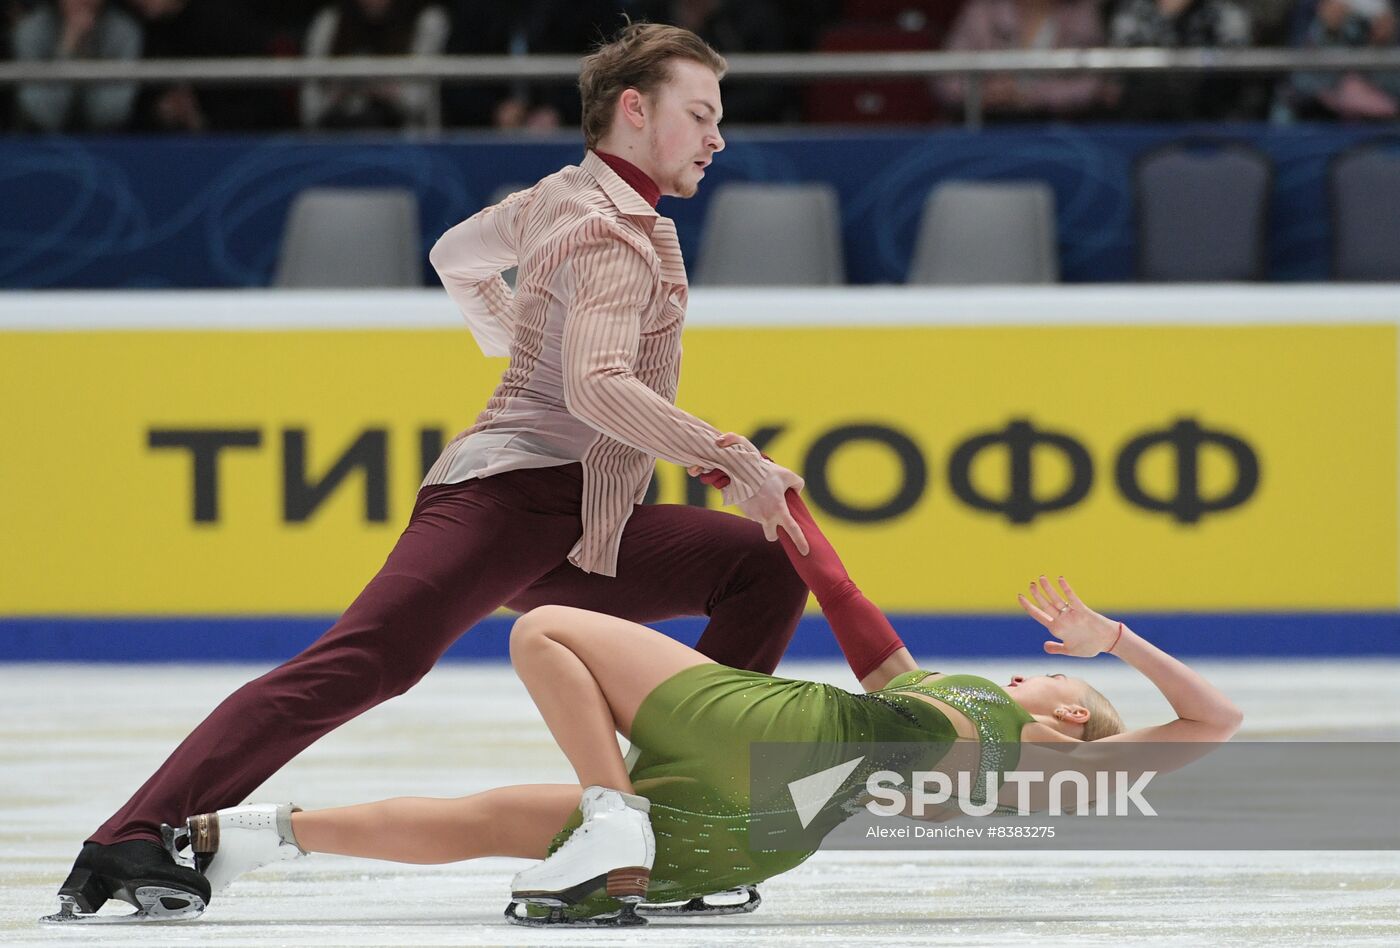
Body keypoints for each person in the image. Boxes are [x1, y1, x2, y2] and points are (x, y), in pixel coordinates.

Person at [43, 23, 814, 924]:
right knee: (368, 660)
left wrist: (517, 335)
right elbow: (599, 384)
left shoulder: (557, 198)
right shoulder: (608, 234)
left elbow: (456, 254)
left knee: (761, 565)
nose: (718, 136)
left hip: (585, 515)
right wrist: (732, 459)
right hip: (507, 499)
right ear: (635, 112)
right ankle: (135, 830)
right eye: (701, 114)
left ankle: (671, 823)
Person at [158, 469, 1242, 928]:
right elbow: (847, 601)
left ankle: (607, 814)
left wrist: (1117, 642)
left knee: (543, 629)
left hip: (770, 736)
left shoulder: (1043, 746)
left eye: (1048, 675)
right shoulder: (972, 733)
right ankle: (259, 834)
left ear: (1066, 716)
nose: (1025, 670)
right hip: (754, 841)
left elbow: (1210, 722)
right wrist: (790, 510)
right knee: (495, 819)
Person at [301, 0, 450, 130]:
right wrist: (343, 88)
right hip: (337, 140)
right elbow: (310, 111)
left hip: (404, 145)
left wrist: (379, 85)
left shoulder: (427, 19)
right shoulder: (330, 21)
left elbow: (418, 101)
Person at [11, 0, 143, 132]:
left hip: (108, 141)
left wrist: (87, 60)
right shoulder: (31, 31)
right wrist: (67, 51)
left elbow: (108, 114)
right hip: (39, 142)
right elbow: (44, 116)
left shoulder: (124, 31)